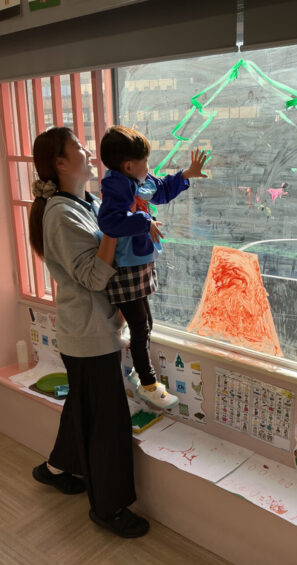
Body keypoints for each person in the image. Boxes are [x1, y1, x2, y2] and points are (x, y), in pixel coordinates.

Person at [29, 126, 149, 538]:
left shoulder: (88, 202)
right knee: (108, 422)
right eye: (77, 146)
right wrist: (116, 229)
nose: (87, 149)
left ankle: (55, 468)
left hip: (91, 328)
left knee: (84, 406)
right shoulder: (61, 215)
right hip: (88, 335)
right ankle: (109, 507)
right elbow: (95, 277)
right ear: (60, 163)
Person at [98, 125, 207, 408]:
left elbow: (160, 189)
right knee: (140, 324)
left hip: (139, 263)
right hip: (125, 268)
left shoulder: (138, 179)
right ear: (129, 165)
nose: (149, 167)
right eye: (145, 161)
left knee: (145, 323)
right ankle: (147, 383)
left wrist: (186, 175)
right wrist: (144, 222)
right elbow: (109, 222)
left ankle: (139, 371)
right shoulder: (115, 186)